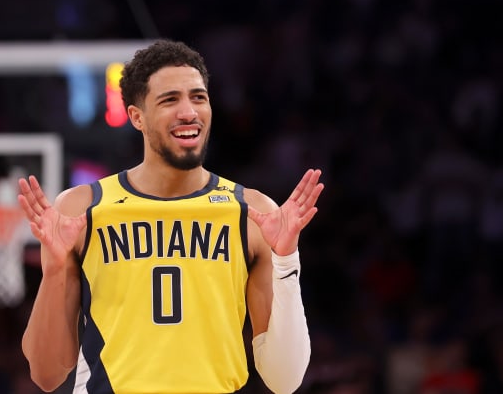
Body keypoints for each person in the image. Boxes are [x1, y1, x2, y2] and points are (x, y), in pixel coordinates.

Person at [17, 39, 324, 394]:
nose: (189, 111)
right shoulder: (82, 211)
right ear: (136, 117)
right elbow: (46, 373)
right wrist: (54, 270)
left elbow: (284, 381)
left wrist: (286, 260)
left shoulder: (252, 214)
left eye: (198, 97)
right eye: (169, 99)